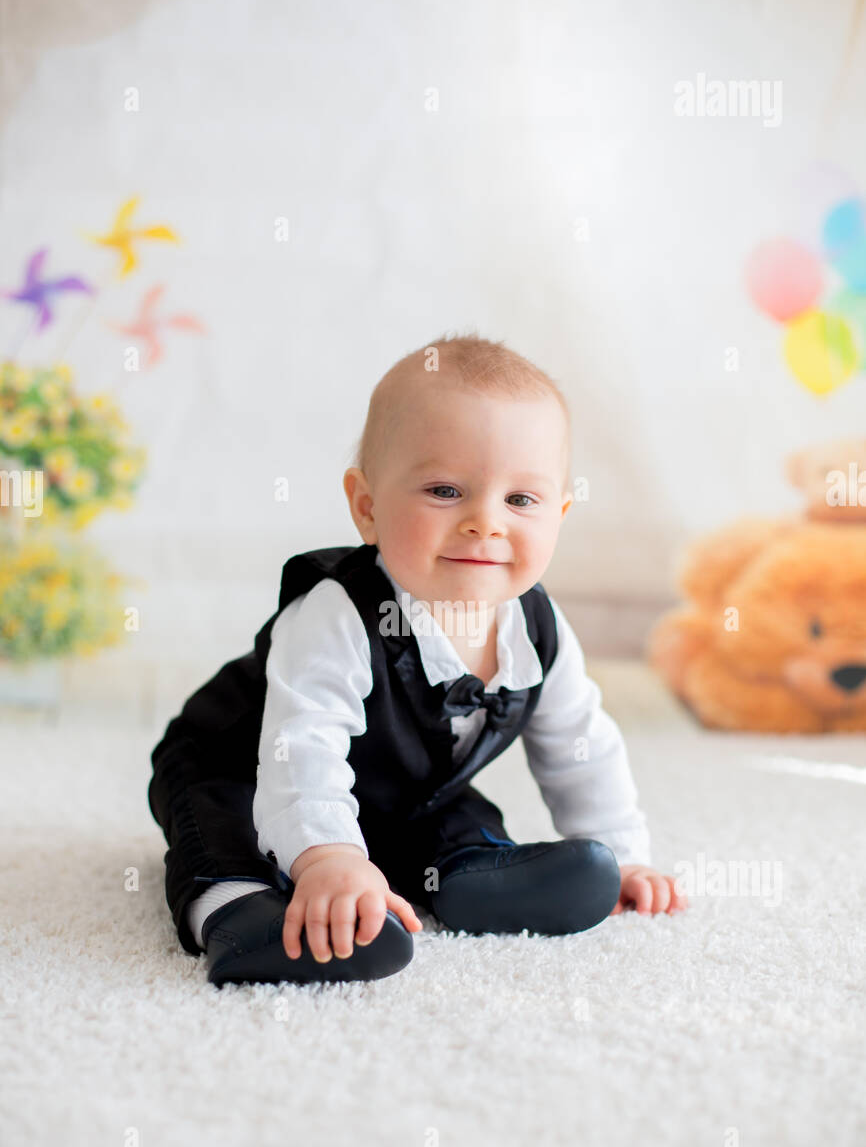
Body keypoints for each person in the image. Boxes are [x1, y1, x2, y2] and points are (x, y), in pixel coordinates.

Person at [147, 333, 686, 988]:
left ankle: (476, 875)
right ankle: (241, 917)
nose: (486, 523)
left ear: (560, 514)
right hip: (244, 764)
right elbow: (302, 748)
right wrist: (328, 858)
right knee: (221, 825)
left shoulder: (537, 631)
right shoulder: (337, 613)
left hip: (395, 792)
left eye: (521, 500)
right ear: (367, 507)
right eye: (444, 491)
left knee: (451, 814)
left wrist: (626, 858)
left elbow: (581, 746)